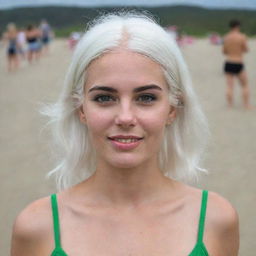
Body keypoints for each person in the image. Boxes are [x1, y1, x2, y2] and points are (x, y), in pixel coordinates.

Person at [11, 12, 239, 255]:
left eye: (146, 98)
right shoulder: (36, 228)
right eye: (104, 98)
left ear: (172, 108)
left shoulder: (216, 220)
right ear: (81, 109)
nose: (125, 117)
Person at [223, 19, 251, 109]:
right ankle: (246, 105)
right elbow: (246, 49)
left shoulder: (226, 37)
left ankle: (230, 105)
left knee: (229, 86)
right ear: (237, 26)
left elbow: (224, 51)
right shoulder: (242, 37)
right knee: (244, 85)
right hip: (238, 62)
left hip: (229, 62)